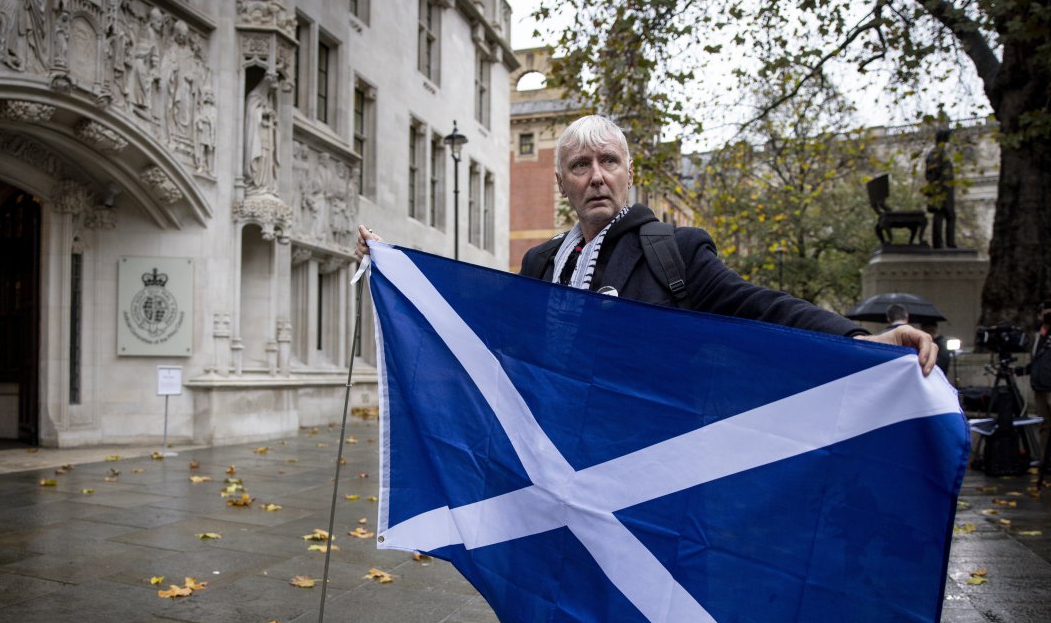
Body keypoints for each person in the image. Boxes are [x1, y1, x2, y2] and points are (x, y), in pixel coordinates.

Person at [357, 115, 937, 375]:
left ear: (628, 173)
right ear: (562, 182)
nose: (596, 175)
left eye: (608, 161)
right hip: (559, 459)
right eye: (580, 165)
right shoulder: (541, 262)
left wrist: (864, 340)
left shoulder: (674, 250)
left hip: (644, 459)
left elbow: (763, 305)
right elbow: (485, 320)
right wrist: (396, 268)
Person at [1016, 301, 1051, 462]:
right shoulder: (1039, 336)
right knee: (1044, 425)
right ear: (1039, 316)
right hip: (1039, 387)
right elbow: (1036, 361)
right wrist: (1020, 371)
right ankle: (1045, 460)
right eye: (1046, 314)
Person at [924, 127, 957, 249]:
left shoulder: (936, 153)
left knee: (945, 215)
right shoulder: (937, 153)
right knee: (945, 215)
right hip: (942, 190)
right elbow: (932, 174)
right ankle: (945, 243)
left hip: (942, 189)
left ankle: (945, 243)